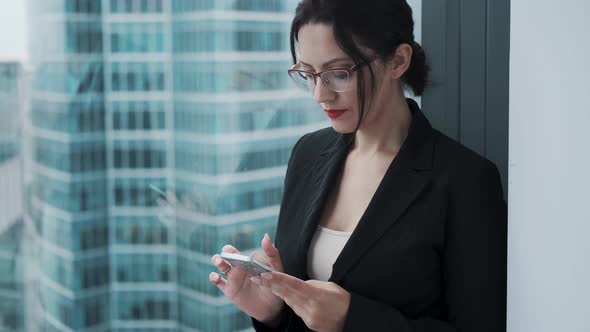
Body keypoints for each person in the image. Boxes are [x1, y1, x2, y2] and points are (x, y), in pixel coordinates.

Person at [209, 0, 507, 331]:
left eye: (338, 73)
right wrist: (274, 312)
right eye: (308, 73)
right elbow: (306, 315)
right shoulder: (308, 153)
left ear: (398, 60)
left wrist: (353, 318)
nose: (320, 95)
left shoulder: (465, 181)